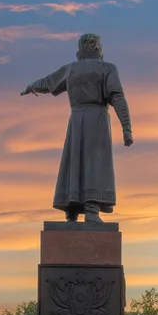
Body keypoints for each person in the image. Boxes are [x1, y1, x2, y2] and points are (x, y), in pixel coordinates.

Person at [20, 33, 133, 223]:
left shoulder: (71, 69)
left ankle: (71, 209)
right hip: (97, 120)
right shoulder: (107, 68)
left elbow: (47, 83)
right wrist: (127, 127)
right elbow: (117, 98)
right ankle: (91, 209)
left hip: (77, 120)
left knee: (74, 162)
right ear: (98, 48)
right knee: (94, 163)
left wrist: (31, 87)